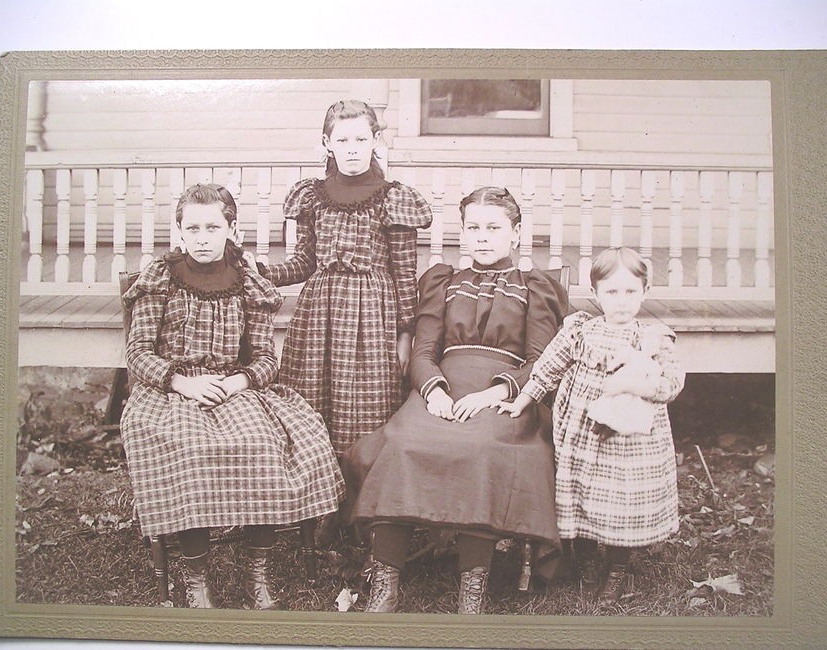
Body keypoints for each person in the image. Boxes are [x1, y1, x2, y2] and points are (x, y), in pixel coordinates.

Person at [342, 187, 569, 614]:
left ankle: (472, 590)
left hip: (507, 397)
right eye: (473, 228)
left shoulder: (534, 287)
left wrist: (496, 392)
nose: (482, 237)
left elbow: (542, 360)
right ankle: (386, 585)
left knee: (482, 449)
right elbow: (424, 352)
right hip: (443, 387)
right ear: (463, 232)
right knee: (404, 443)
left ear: (516, 233)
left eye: (494, 228)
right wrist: (434, 390)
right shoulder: (444, 282)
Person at [120, 184, 344, 610]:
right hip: (171, 390)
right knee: (190, 450)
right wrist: (181, 383)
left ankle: (256, 572)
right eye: (193, 228)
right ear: (181, 231)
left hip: (232, 386)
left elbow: (264, 357)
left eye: (212, 227)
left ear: (231, 228)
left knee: (264, 444)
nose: (202, 238)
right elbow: (138, 353)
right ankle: (196, 576)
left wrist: (239, 382)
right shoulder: (160, 278)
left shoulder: (248, 283)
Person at [498, 246, 685, 607]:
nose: (621, 301)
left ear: (644, 292)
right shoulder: (581, 329)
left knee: (620, 497)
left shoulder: (652, 338)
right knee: (584, 489)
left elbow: (673, 383)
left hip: (629, 437)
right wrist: (521, 400)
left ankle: (616, 568)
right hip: (581, 432)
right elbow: (548, 367)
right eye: (611, 292)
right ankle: (581, 554)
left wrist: (637, 385)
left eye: (631, 291)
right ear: (596, 294)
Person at [256, 99, 432, 457]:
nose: (352, 150)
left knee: (366, 402)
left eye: (361, 140)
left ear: (375, 142)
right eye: (343, 141)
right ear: (327, 143)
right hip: (319, 315)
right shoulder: (314, 196)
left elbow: (404, 274)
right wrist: (262, 272)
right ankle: (315, 486)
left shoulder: (393, 199)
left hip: (372, 319)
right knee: (312, 399)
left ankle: (363, 492)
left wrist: (405, 335)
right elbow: (305, 262)